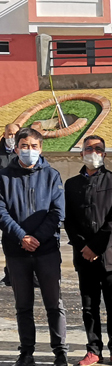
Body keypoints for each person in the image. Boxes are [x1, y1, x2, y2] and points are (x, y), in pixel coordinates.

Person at [0, 127, 68, 366]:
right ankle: (26, 352)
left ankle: (60, 352)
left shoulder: (51, 175)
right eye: (24, 146)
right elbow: (1, 212)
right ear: (17, 148)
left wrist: (37, 237)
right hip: (16, 251)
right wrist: (22, 237)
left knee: (54, 304)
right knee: (23, 305)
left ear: (41, 148)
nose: (29, 150)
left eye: (34, 146)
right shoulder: (4, 176)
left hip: (47, 249)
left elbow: (57, 212)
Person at [64, 136, 112, 366]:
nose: (93, 153)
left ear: (104, 154)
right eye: (89, 148)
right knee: (89, 306)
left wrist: (96, 247)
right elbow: (69, 220)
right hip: (84, 256)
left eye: (98, 149)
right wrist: (84, 246)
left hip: (111, 256)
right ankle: (93, 349)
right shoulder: (72, 184)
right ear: (82, 153)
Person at [0, 122, 21, 287]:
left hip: (18, 200)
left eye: (15, 134)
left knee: (18, 236)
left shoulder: (23, 152)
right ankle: (9, 274)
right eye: (10, 134)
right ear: (4, 135)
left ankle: (17, 273)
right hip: (2, 201)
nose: (12, 137)